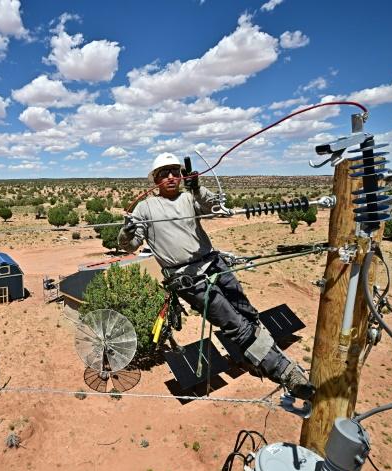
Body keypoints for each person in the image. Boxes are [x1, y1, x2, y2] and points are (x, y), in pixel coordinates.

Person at [118, 153, 314, 400]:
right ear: (155, 179)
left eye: (175, 172)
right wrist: (126, 233)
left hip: (214, 263)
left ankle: (256, 359)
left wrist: (198, 187)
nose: (171, 177)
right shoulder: (145, 208)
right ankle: (286, 373)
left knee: (248, 313)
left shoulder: (190, 197)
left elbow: (215, 208)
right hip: (189, 279)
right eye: (164, 173)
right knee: (235, 323)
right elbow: (129, 245)